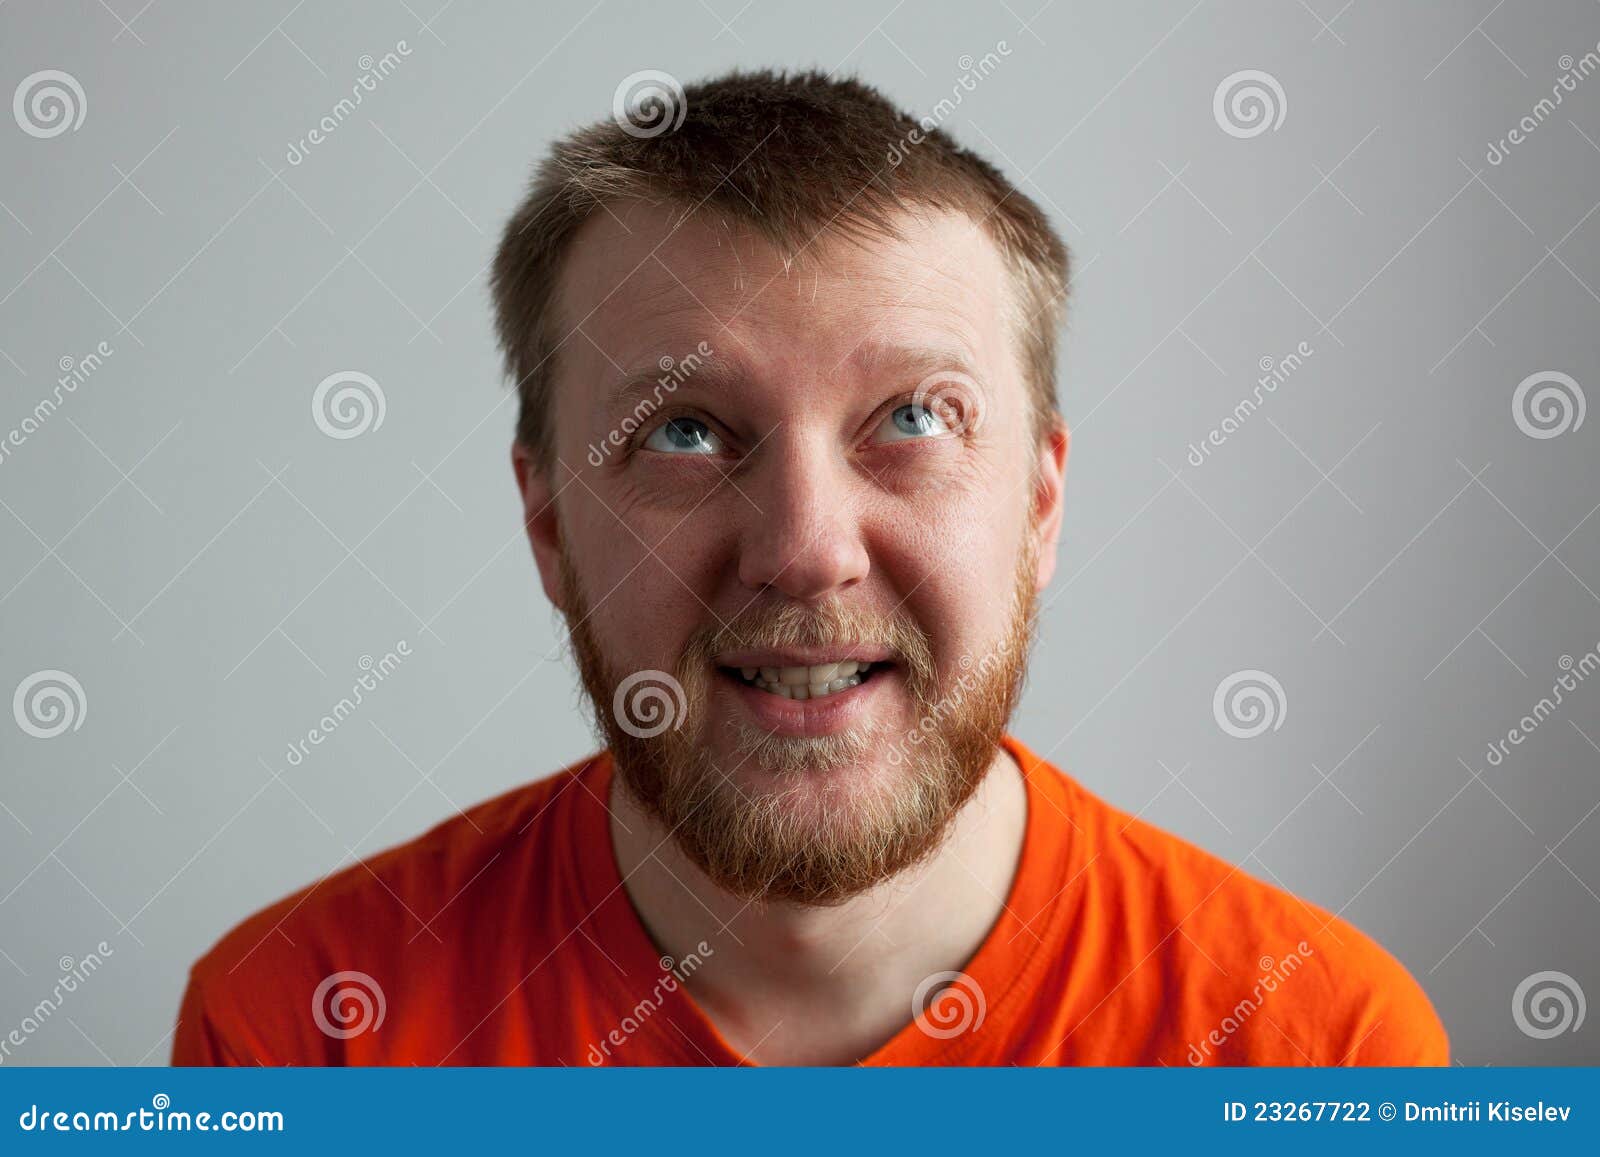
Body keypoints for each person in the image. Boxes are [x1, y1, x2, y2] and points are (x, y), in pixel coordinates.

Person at [174, 69, 1447, 1067]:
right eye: (683, 430)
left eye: (912, 419)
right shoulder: (303, 1032)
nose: (804, 549)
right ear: (549, 522)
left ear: (1041, 505)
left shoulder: (1323, 1044)